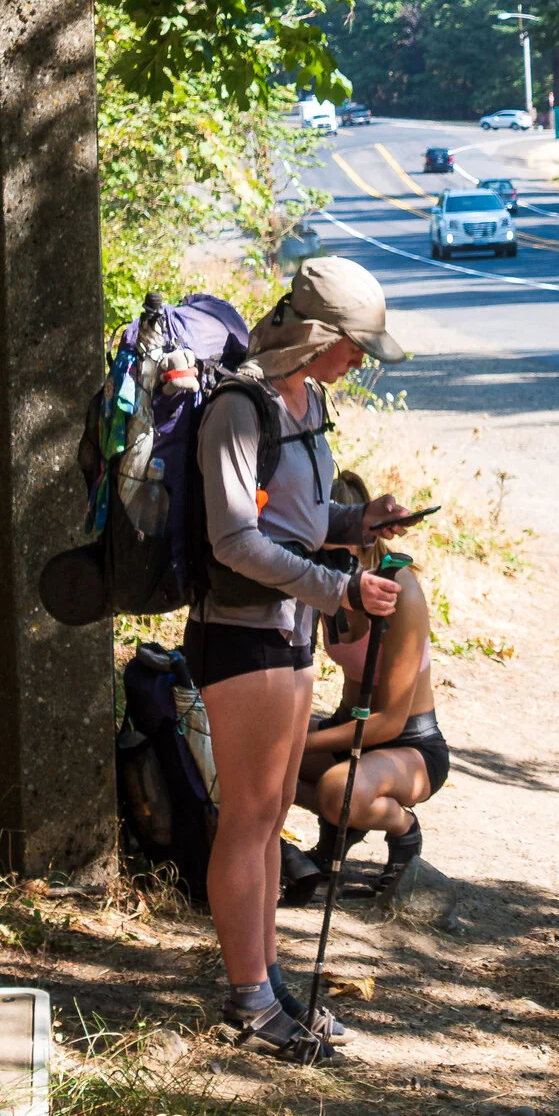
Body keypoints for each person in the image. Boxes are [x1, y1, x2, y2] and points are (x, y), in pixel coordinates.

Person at [190, 255, 424, 1057]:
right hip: (240, 626)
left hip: (287, 625)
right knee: (248, 818)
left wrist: (360, 523)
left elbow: (296, 512)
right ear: (317, 334)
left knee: (266, 817)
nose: (360, 359)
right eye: (355, 344)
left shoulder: (307, 398)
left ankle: (267, 981)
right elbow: (235, 537)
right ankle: (249, 1000)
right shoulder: (239, 406)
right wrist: (340, 587)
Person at [289, 478, 448, 903]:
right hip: (353, 729)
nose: (328, 561)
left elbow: (389, 720)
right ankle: (340, 826)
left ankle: (401, 828)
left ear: (363, 537)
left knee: (335, 789)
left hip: (408, 743)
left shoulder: (400, 590)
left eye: (340, 547)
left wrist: (304, 742)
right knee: (263, 759)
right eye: (321, 550)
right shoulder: (325, 585)